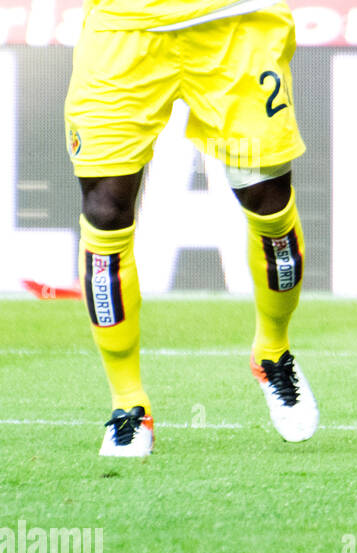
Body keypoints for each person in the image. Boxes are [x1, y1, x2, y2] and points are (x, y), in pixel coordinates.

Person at [67, 0, 318, 456]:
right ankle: (128, 404)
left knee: (268, 204)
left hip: (235, 24)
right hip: (127, 29)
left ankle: (273, 351)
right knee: (106, 212)